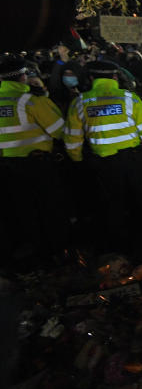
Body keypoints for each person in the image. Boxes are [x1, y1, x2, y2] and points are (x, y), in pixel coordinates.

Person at [63, 60, 142, 257]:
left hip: (104, 164)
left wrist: (77, 161)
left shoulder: (80, 102)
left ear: (91, 78)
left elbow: (72, 138)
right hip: (134, 161)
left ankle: (122, 252)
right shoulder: (130, 99)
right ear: (115, 77)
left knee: (114, 207)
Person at [0, 56, 66, 262]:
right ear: (23, 76)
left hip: (8, 167)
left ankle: (34, 250)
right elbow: (59, 131)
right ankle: (56, 251)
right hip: (38, 165)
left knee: (23, 209)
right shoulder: (31, 101)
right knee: (49, 207)